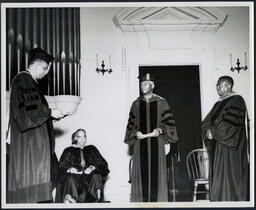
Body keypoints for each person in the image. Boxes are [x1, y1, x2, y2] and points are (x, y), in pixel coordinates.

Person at [7, 47, 65, 203]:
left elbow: (33, 110)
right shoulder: (24, 79)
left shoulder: (29, 82)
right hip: (31, 144)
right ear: (37, 64)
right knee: (34, 189)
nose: (46, 73)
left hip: (35, 142)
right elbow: (30, 112)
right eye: (45, 68)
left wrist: (50, 115)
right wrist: (50, 112)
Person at [124, 73, 179, 202]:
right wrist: (135, 133)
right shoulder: (136, 104)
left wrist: (160, 130)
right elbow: (130, 125)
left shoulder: (162, 102)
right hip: (140, 142)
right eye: (142, 84)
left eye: (146, 84)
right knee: (141, 175)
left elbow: (170, 124)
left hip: (157, 143)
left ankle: (158, 204)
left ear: (153, 85)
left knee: (157, 175)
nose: (143, 86)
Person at [201, 76, 249, 201]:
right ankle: (219, 200)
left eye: (220, 85)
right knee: (219, 173)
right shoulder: (218, 103)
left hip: (231, 145)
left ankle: (232, 200)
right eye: (217, 86)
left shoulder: (237, 100)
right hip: (219, 143)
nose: (217, 88)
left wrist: (214, 132)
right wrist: (208, 131)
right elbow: (207, 121)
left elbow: (231, 124)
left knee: (230, 174)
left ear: (228, 86)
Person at [57, 129, 110, 203]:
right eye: (79, 137)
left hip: (89, 177)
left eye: (84, 136)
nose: (82, 139)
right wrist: (70, 169)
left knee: (96, 175)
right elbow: (61, 165)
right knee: (70, 177)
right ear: (75, 138)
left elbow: (102, 163)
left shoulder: (92, 149)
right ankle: (70, 199)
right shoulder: (68, 150)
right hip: (76, 178)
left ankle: (96, 198)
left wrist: (91, 168)